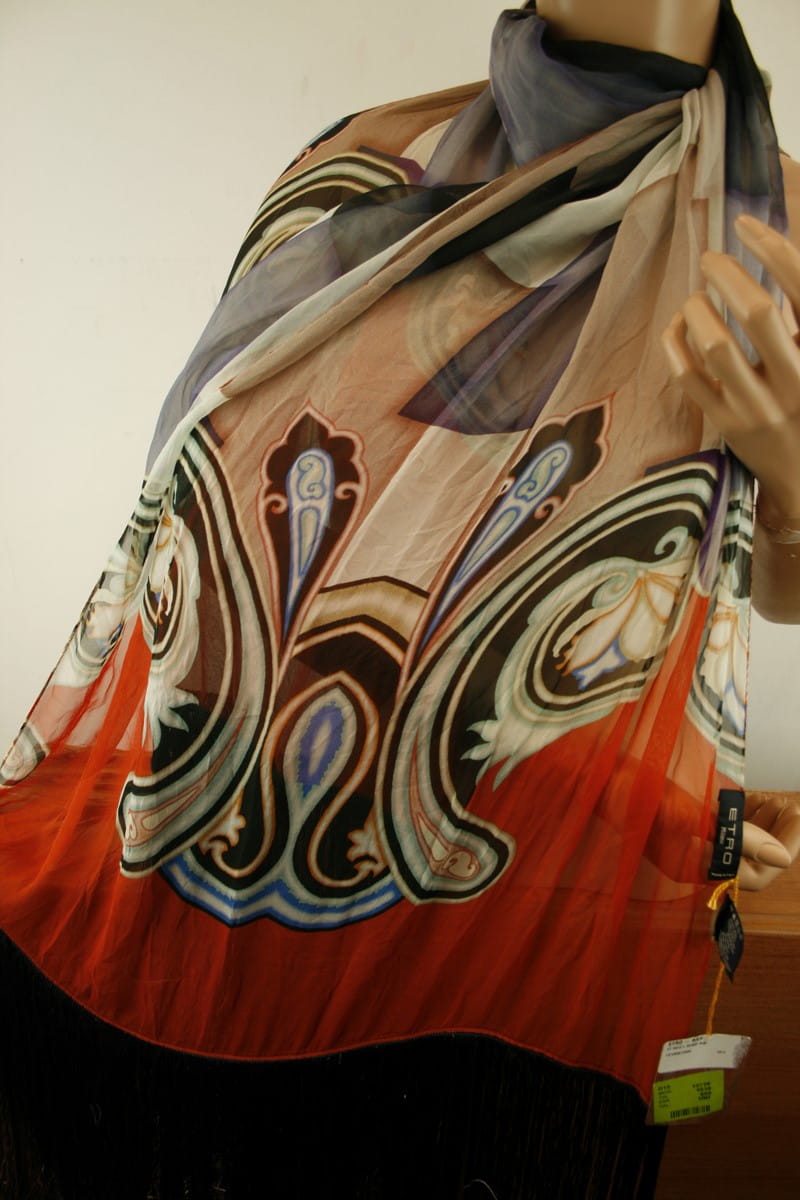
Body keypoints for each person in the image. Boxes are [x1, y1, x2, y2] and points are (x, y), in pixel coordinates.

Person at [1, 2, 799, 1197]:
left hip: (486, 948)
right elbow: (195, 527)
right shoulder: (353, 169)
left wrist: (791, 468)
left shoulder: (771, 227)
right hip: (190, 864)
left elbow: (766, 589)